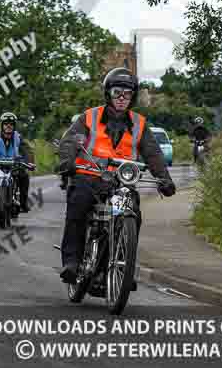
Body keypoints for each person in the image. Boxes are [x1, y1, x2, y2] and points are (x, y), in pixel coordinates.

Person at [57, 68, 176, 285]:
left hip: (121, 182)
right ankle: (72, 262)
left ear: (132, 97)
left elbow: (153, 153)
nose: (122, 98)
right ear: (108, 93)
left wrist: (164, 179)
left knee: (133, 211)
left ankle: (123, 266)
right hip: (88, 176)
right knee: (78, 205)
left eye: (127, 94)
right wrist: (68, 163)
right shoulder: (90, 117)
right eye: (117, 93)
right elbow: (70, 142)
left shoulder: (139, 123)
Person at [0, 112, 36, 214]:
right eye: (6, 124)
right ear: (2, 125)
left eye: (11, 124)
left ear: (14, 126)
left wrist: (30, 162)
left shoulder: (18, 137)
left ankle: (23, 203)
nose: (8, 126)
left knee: (24, 175)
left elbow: (27, 150)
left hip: (14, 164)